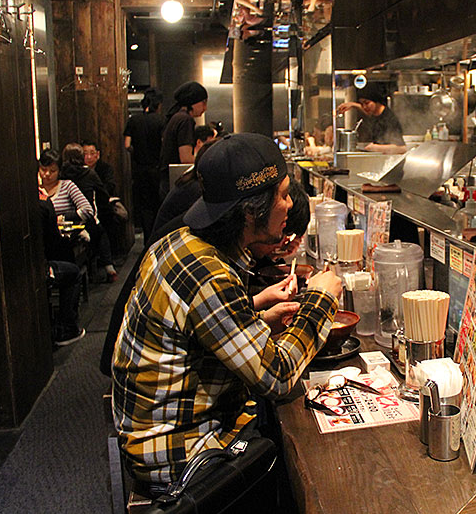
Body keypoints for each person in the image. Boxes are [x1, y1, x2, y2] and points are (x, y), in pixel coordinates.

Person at [112, 133, 341, 487]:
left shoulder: (184, 242)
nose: (289, 206)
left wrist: (258, 317)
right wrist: (321, 300)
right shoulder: (208, 273)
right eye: (282, 196)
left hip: (155, 432)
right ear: (251, 210)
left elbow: (193, 329)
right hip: (180, 456)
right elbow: (277, 377)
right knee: (315, 462)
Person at [61, 143, 117, 282]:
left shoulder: (61, 175)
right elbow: (102, 194)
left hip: (65, 219)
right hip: (87, 218)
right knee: (101, 231)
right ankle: (109, 267)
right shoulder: (89, 173)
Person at [37, 197, 85, 347]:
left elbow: (87, 210)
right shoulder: (41, 206)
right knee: (73, 272)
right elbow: (53, 242)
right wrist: (48, 204)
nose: (45, 174)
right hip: (40, 269)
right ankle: (67, 329)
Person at [124, 88, 166, 236]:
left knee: (144, 206)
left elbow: (127, 145)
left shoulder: (133, 120)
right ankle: (157, 237)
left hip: (139, 169)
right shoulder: (161, 120)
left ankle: (147, 238)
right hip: (156, 169)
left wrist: (137, 153)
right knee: (158, 204)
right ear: (158, 104)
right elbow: (163, 143)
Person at [159, 81, 208, 198]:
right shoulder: (185, 120)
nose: (205, 108)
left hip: (166, 181)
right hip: (174, 182)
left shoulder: (177, 117)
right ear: (193, 102)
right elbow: (186, 159)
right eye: (203, 102)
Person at [335, 82, 406, 154]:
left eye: (366, 103)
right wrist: (353, 105)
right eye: (362, 104)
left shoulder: (389, 119)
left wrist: (376, 148)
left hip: (389, 161)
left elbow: (402, 149)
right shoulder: (375, 114)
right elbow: (366, 110)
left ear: (376, 101)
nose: (364, 107)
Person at [38, 149, 94, 223]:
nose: (47, 174)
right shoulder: (35, 189)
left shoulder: (67, 186)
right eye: (44, 170)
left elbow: (88, 210)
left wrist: (64, 217)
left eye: (53, 171)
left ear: (59, 171)